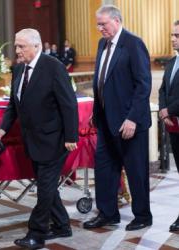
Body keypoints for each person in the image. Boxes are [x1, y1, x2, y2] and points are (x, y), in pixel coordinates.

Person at [0, 28, 78, 249]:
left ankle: (36, 233)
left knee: (45, 187)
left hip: (55, 139)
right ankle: (61, 225)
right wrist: (3, 128)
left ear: (37, 46)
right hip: (32, 140)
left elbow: (69, 104)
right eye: (16, 45)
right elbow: (14, 103)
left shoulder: (54, 68)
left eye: (21, 46)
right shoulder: (18, 69)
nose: (17, 50)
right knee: (46, 185)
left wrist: (71, 136)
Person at [83, 5, 153, 231]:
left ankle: (142, 216)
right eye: (98, 24)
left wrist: (132, 118)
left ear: (116, 20)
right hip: (106, 122)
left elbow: (143, 85)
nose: (99, 28)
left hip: (129, 124)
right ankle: (107, 213)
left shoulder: (133, 43)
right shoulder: (102, 44)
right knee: (104, 169)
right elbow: (101, 83)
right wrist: (96, 112)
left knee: (136, 171)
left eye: (103, 24)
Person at [159, 20, 179, 232]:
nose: (173, 38)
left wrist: (168, 110)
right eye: (172, 34)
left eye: (177, 35)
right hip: (174, 126)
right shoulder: (172, 62)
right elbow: (163, 90)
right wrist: (164, 111)